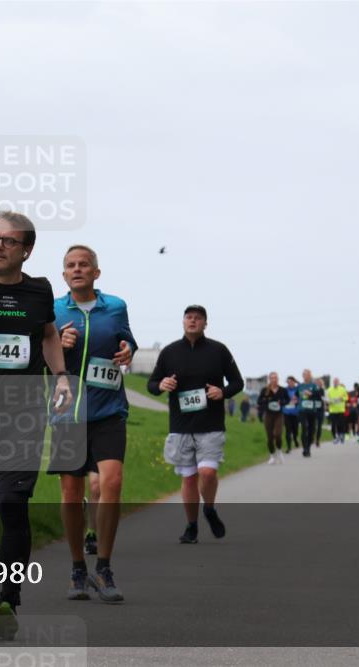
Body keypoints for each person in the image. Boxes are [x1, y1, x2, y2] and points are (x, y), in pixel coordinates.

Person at [0, 211, 72, 639]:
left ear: (27, 249)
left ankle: (10, 592)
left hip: (24, 412)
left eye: (9, 241)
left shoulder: (40, 290)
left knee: (13, 503)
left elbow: (46, 334)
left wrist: (60, 375)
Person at [49, 245, 136, 603]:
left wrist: (128, 349)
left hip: (108, 409)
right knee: (71, 493)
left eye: (84, 265)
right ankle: (76, 569)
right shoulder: (53, 309)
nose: (78, 269)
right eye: (71, 265)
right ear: (64, 274)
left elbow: (128, 338)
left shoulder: (114, 306)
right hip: (68, 412)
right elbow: (42, 352)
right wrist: (58, 341)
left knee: (111, 482)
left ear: (96, 273)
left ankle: (103, 565)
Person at [147, 305, 244, 544]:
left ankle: (209, 509)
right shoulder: (169, 352)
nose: (193, 321)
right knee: (189, 478)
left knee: (207, 473)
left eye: (198, 318)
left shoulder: (218, 350)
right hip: (180, 426)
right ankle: (191, 526)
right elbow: (152, 384)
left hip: (210, 424)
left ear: (205, 324)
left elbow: (237, 382)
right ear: (182, 322)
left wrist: (222, 392)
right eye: (189, 317)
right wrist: (161, 385)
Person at [257, 372, 289, 465]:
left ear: (278, 379)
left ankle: (279, 451)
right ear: (269, 379)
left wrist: (282, 402)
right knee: (270, 437)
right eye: (272, 378)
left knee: (278, 434)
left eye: (275, 378)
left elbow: (287, 400)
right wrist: (266, 401)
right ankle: (272, 455)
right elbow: (259, 401)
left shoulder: (282, 390)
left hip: (279, 415)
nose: (273, 380)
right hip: (268, 415)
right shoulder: (265, 390)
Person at [295, 369, 323, 458]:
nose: (305, 376)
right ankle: (305, 449)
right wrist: (295, 401)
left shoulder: (314, 385)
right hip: (302, 410)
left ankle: (308, 447)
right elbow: (296, 396)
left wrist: (310, 393)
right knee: (304, 428)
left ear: (310, 376)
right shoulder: (300, 386)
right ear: (303, 376)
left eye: (307, 374)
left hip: (312, 411)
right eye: (304, 374)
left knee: (312, 430)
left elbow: (319, 395)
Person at [326, 377, 349, 444]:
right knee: (333, 425)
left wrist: (342, 398)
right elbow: (327, 399)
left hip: (341, 410)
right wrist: (328, 401)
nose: (335, 382)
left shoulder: (342, 389)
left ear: (338, 382)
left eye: (337, 381)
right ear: (333, 382)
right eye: (334, 381)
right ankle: (335, 437)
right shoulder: (329, 390)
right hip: (332, 410)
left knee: (340, 424)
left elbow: (346, 397)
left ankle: (341, 436)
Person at [282, 376, 300, 453]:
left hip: (295, 413)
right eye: (288, 382)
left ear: (294, 382)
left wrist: (297, 401)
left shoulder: (297, 389)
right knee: (288, 430)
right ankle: (289, 447)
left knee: (295, 430)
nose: (289, 383)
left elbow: (301, 394)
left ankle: (295, 439)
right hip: (286, 413)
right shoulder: (284, 390)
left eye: (291, 381)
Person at [313, 378, 326, 447]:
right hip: (314, 409)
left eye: (319, 382)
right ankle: (313, 439)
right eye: (316, 382)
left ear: (321, 383)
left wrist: (325, 405)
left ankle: (318, 440)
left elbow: (324, 398)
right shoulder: (313, 390)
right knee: (313, 426)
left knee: (319, 426)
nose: (317, 383)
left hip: (320, 410)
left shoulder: (323, 390)